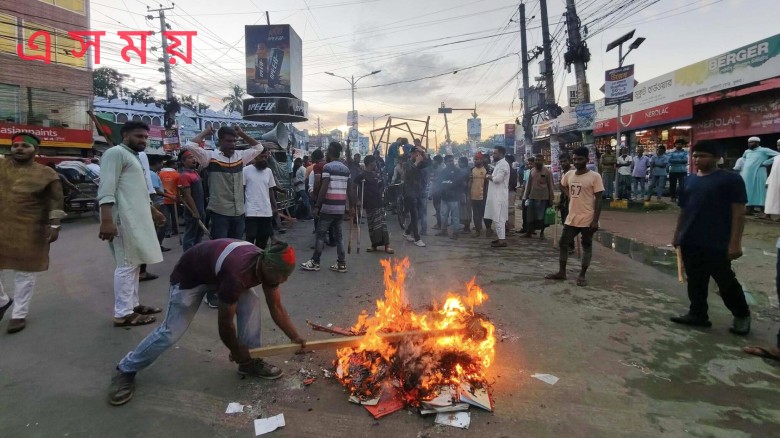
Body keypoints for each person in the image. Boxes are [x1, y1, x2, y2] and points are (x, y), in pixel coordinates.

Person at [107, 239, 305, 406]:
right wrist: (235, 350)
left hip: (216, 272)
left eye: (287, 275)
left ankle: (250, 362)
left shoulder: (269, 265)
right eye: (282, 275)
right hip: (189, 278)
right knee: (169, 333)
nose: (284, 280)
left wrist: (295, 337)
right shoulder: (238, 273)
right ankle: (126, 369)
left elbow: (276, 308)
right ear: (268, 266)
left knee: (252, 301)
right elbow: (225, 322)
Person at [669, 140, 751, 334]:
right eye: (695, 155)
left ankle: (742, 315)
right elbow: (683, 211)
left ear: (716, 157)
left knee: (725, 281)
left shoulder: (730, 180)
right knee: (695, 280)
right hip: (690, 239)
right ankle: (698, 314)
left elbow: (739, 213)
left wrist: (735, 243)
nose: (697, 159)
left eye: (703, 155)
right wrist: (677, 235)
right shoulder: (689, 180)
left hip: (717, 241)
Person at [98, 121, 167, 327]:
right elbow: (106, 188)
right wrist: (107, 220)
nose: (143, 140)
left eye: (145, 137)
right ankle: (122, 314)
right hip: (123, 220)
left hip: (137, 218)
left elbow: (138, 190)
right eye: (138, 136)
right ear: (125, 135)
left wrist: (153, 211)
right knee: (127, 265)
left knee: (135, 263)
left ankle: (133, 305)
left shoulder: (133, 157)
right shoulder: (115, 153)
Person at [0, 133, 65, 334]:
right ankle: (2, 301)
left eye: (25, 146)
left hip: (30, 227)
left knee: (25, 272)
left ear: (36, 151)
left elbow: (56, 200)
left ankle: (19, 314)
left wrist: (54, 225)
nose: (19, 148)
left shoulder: (46, 173)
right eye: (15, 145)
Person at [184, 125, 266, 239]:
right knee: (220, 248)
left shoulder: (240, 156)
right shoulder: (210, 157)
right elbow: (189, 145)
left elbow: (259, 147)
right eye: (228, 141)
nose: (232, 144)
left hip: (239, 213)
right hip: (219, 213)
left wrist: (242, 134)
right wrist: (206, 132)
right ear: (220, 141)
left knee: (235, 247)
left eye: (234, 141)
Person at [545, 147, 604, 287]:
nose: (577, 162)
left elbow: (599, 200)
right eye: (575, 159)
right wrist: (568, 195)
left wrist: (595, 220)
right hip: (572, 217)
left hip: (588, 218)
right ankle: (562, 272)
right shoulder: (570, 174)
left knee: (586, 245)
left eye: (580, 159)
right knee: (563, 243)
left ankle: (582, 275)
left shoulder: (595, 177)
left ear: (587, 160)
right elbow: (561, 184)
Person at [301, 142, 352, 272]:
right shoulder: (346, 169)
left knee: (320, 234)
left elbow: (324, 187)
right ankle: (341, 263)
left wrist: (317, 205)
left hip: (328, 207)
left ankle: (315, 262)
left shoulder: (327, 167)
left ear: (329, 152)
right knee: (339, 237)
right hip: (340, 208)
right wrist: (351, 207)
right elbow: (350, 190)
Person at [355, 155, 394, 254]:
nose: (375, 164)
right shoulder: (362, 175)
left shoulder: (376, 174)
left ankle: (387, 246)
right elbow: (355, 185)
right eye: (374, 162)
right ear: (370, 163)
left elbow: (382, 185)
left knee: (382, 225)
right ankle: (374, 245)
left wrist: (382, 187)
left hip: (378, 202)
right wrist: (358, 199)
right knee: (372, 226)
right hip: (369, 203)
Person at [244, 150, 277, 249]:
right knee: (250, 239)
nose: (263, 159)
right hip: (251, 211)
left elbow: (270, 190)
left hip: (266, 212)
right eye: (261, 157)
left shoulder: (268, 171)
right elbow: (242, 189)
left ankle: (259, 263)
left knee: (262, 242)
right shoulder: (246, 170)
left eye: (265, 157)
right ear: (254, 156)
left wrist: (274, 207)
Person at [739, 136, 779, 214]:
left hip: (759, 172)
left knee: (760, 189)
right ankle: (749, 208)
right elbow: (743, 158)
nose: (749, 144)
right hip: (747, 174)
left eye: (752, 142)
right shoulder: (747, 151)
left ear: (757, 143)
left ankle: (762, 209)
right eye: (749, 142)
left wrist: (766, 162)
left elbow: (778, 155)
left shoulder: (764, 150)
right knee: (748, 190)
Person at [400, 146, 430, 246]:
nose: (418, 155)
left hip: (419, 191)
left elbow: (429, 163)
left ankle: (407, 231)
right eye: (416, 153)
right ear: (412, 154)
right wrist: (416, 162)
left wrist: (424, 154)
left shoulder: (421, 163)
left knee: (419, 215)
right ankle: (417, 238)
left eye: (419, 153)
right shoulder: (407, 164)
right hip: (409, 192)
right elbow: (409, 172)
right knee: (414, 214)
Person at [178, 151, 206, 251]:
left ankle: (197, 255)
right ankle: (188, 256)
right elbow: (187, 195)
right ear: (183, 162)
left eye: (194, 157)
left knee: (199, 235)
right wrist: (194, 211)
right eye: (190, 157)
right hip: (192, 211)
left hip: (200, 208)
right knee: (190, 235)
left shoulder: (195, 173)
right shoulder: (185, 175)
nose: (194, 159)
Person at [522, 153, 554, 239]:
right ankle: (529, 233)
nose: (537, 161)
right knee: (530, 216)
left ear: (543, 161)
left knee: (541, 217)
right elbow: (528, 184)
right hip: (532, 196)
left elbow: (550, 186)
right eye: (536, 160)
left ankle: (542, 233)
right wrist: (525, 196)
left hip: (543, 198)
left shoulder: (547, 172)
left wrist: (551, 199)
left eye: (539, 160)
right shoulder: (532, 170)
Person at [485, 146, 510, 247]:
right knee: (498, 218)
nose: (493, 155)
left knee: (499, 218)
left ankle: (502, 240)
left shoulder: (503, 165)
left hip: (499, 196)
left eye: (495, 153)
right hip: (496, 195)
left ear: (501, 154)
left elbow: (497, 179)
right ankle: (501, 238)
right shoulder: (499, 164)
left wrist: (488, 176)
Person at [436, 155, 464, 239]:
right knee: (443, 215)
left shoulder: (457, 171)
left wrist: (459, 193)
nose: (450, 162)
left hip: (454, 197)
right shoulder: (443, 172)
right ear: (445, 162)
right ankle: (443, 230)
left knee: (455, 216)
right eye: (448, 161)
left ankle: (456, 232)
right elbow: (439, 183)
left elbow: (460, 184)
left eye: (452, 160)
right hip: (444, 197)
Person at [148, 156, 170, 252]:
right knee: (162, 223)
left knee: (160, 224)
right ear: (156, 163)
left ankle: (156, 245)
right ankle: (157, 246)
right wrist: (169, 196)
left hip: (157, 202)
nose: (162, 165)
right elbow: (155, 191)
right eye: (161, 163)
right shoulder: (152, 174)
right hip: (157, 203)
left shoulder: (152, 174)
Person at [158, 159, 180, 238]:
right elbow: (179, 186)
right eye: (175, 164)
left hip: (163, 198)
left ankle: (167, 232)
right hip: (174, 197)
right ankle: (176, 229)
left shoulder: (159, 173)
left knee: (166, 216)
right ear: (172, 165)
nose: (176, 166)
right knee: (175, 215)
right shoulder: (176, 174)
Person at [469, 152, 490, 237]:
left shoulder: (486, 170)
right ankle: (478, 230)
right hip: (473, 196)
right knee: (476, 215)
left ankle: (488, 228)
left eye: (477, 159)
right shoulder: (472, 170)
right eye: (474, 159)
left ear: (481, 160)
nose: (475, 161)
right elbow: (470, 182)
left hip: (484, 196)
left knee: (486, 214)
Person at [517, 156, 535, 234]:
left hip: (533, 195)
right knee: (524, 212)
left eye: (531, 164)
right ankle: (524, 228)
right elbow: (524, 183)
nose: (530, 165)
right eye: (529, 164)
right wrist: (522, 193)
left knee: (532, 213)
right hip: (525, 195)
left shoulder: (536, 172)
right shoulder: (527, 171)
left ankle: (531, 229)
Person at [457, 156, 472, 234]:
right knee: (464, 210)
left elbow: (467, 183)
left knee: (466, 210)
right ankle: (466, 227)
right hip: (464, 192)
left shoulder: (464, 171)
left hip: (465, 192)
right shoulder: (468, 169)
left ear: (464, 163)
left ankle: (467, 228)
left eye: (459, 162)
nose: (458, 163)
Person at [430, 155, 444, 230]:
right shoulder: (440, 168)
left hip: (438, 191)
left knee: (438, 208)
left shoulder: (439, 169)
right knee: (438, 208)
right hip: (438, 190)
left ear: (437, 161)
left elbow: (438, 180)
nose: (433, 162)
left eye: (434, 160)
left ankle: (439, 224)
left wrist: (432, 179)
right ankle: (440, 223)